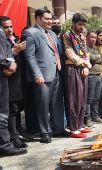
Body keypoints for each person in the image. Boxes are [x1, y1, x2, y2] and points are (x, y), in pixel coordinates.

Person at [23, 9, 64, 143]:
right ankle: (45, 132)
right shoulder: (30, 32)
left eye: (50, 19)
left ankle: (58, 129)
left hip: (56, 72)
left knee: (57, 103)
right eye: (46, 19)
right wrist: (37, 74)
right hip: (42, 75)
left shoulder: (52, 33)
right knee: (43, 105)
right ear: (38, 19)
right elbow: (30, 55)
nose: (50, 21)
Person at [62, 13, 92, 138]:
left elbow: (85, 52)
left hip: (82, 68)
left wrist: (86, 65)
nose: (82, 27)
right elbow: (69, 52)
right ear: (73, 23)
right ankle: (73, 128)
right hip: (71, 68)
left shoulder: (82, 34)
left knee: (82, 98)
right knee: (74, 98)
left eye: (83, 24)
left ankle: (80, 125)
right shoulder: (67, 35)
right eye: (80, 24)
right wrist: (83, 63)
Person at [0, 16, 27, 148]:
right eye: (6, 27)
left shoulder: (14, 40)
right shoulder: (2, 41)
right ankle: (12, 138)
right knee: (10, 110)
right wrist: (13, 52)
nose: (10, 30)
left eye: (11, 26)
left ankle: (17, 133)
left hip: (18, 79)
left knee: (17, 109)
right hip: (7, 80)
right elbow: (4, 57)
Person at [85, 31, 102, 125]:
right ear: (87, 37)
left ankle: (95, 116)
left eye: (95, 37)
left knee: (97, 98)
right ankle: (87, 118)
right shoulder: (85, 47)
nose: (93, 39)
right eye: (91, 37)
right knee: (89, 99)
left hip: (98, 75)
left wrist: (95, 58)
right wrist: (96, 58)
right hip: (90, 76)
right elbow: (91, 58)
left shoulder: (97, 48)